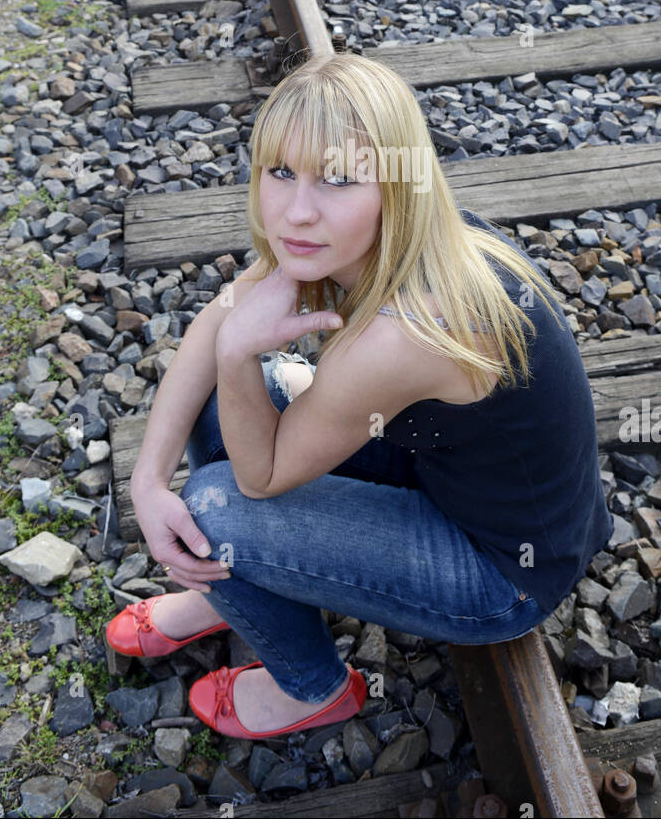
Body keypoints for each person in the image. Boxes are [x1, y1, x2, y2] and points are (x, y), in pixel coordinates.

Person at [106, 51, 612, 740]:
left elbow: (260, 478)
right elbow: (214, 323)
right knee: (217, 403)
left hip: (504, 572)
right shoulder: (394, 237)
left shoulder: (402, 335)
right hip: (445, 470)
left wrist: (238, 353)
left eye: (338, 180)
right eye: (281, 172)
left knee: (217, 510)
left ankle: (311, 690)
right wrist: (146, 479)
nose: (298, 210)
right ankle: (230, 592)